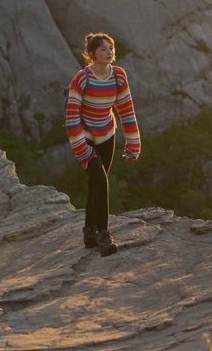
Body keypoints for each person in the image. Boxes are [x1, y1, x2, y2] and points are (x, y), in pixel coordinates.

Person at [66, 32, 141, 256]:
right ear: (91, 54)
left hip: (107, 135)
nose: (109, 52)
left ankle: (89, 230)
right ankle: (104, 236)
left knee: (95, 185)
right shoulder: (82, 79)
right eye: (103, 49)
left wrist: (133, 144)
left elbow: (126, 110)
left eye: (111, 48)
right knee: (101, 182)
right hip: (85, 137)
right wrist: (81, 149)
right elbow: (71, 118)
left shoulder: (118, 76)